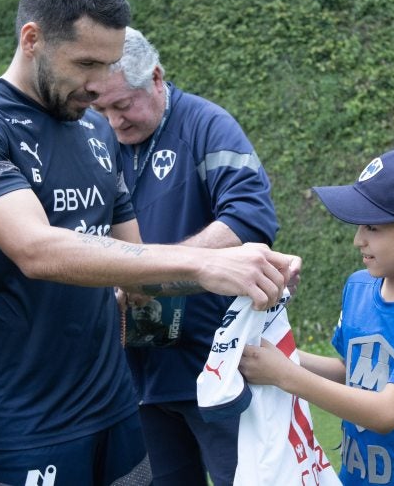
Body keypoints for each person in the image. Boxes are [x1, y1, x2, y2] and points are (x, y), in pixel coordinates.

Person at [0, 0, 299, 486]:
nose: (100, 87)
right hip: (30, 417)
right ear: (32, 39)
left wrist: (249, 263)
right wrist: (204, 264)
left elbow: (136, 276)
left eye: (108, 66)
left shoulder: (95, 134)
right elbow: (37, 250)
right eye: (86, 65)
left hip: (117, 406)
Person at [90, 27, 279, 486]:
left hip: (217, 371)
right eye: (102, 109)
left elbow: (251, 221)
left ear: (155, 78)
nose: (114, 121)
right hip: (138, 378)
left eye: (123, 105)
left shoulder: (206, 126)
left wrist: (155, 271)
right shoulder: (97, 143)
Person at [240, 147, 394, 485]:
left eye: (372, 228)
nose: (357, 240)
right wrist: (279, 355)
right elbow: (355, 371)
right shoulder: (359, 287)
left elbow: (386, 412)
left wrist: (284, 374)